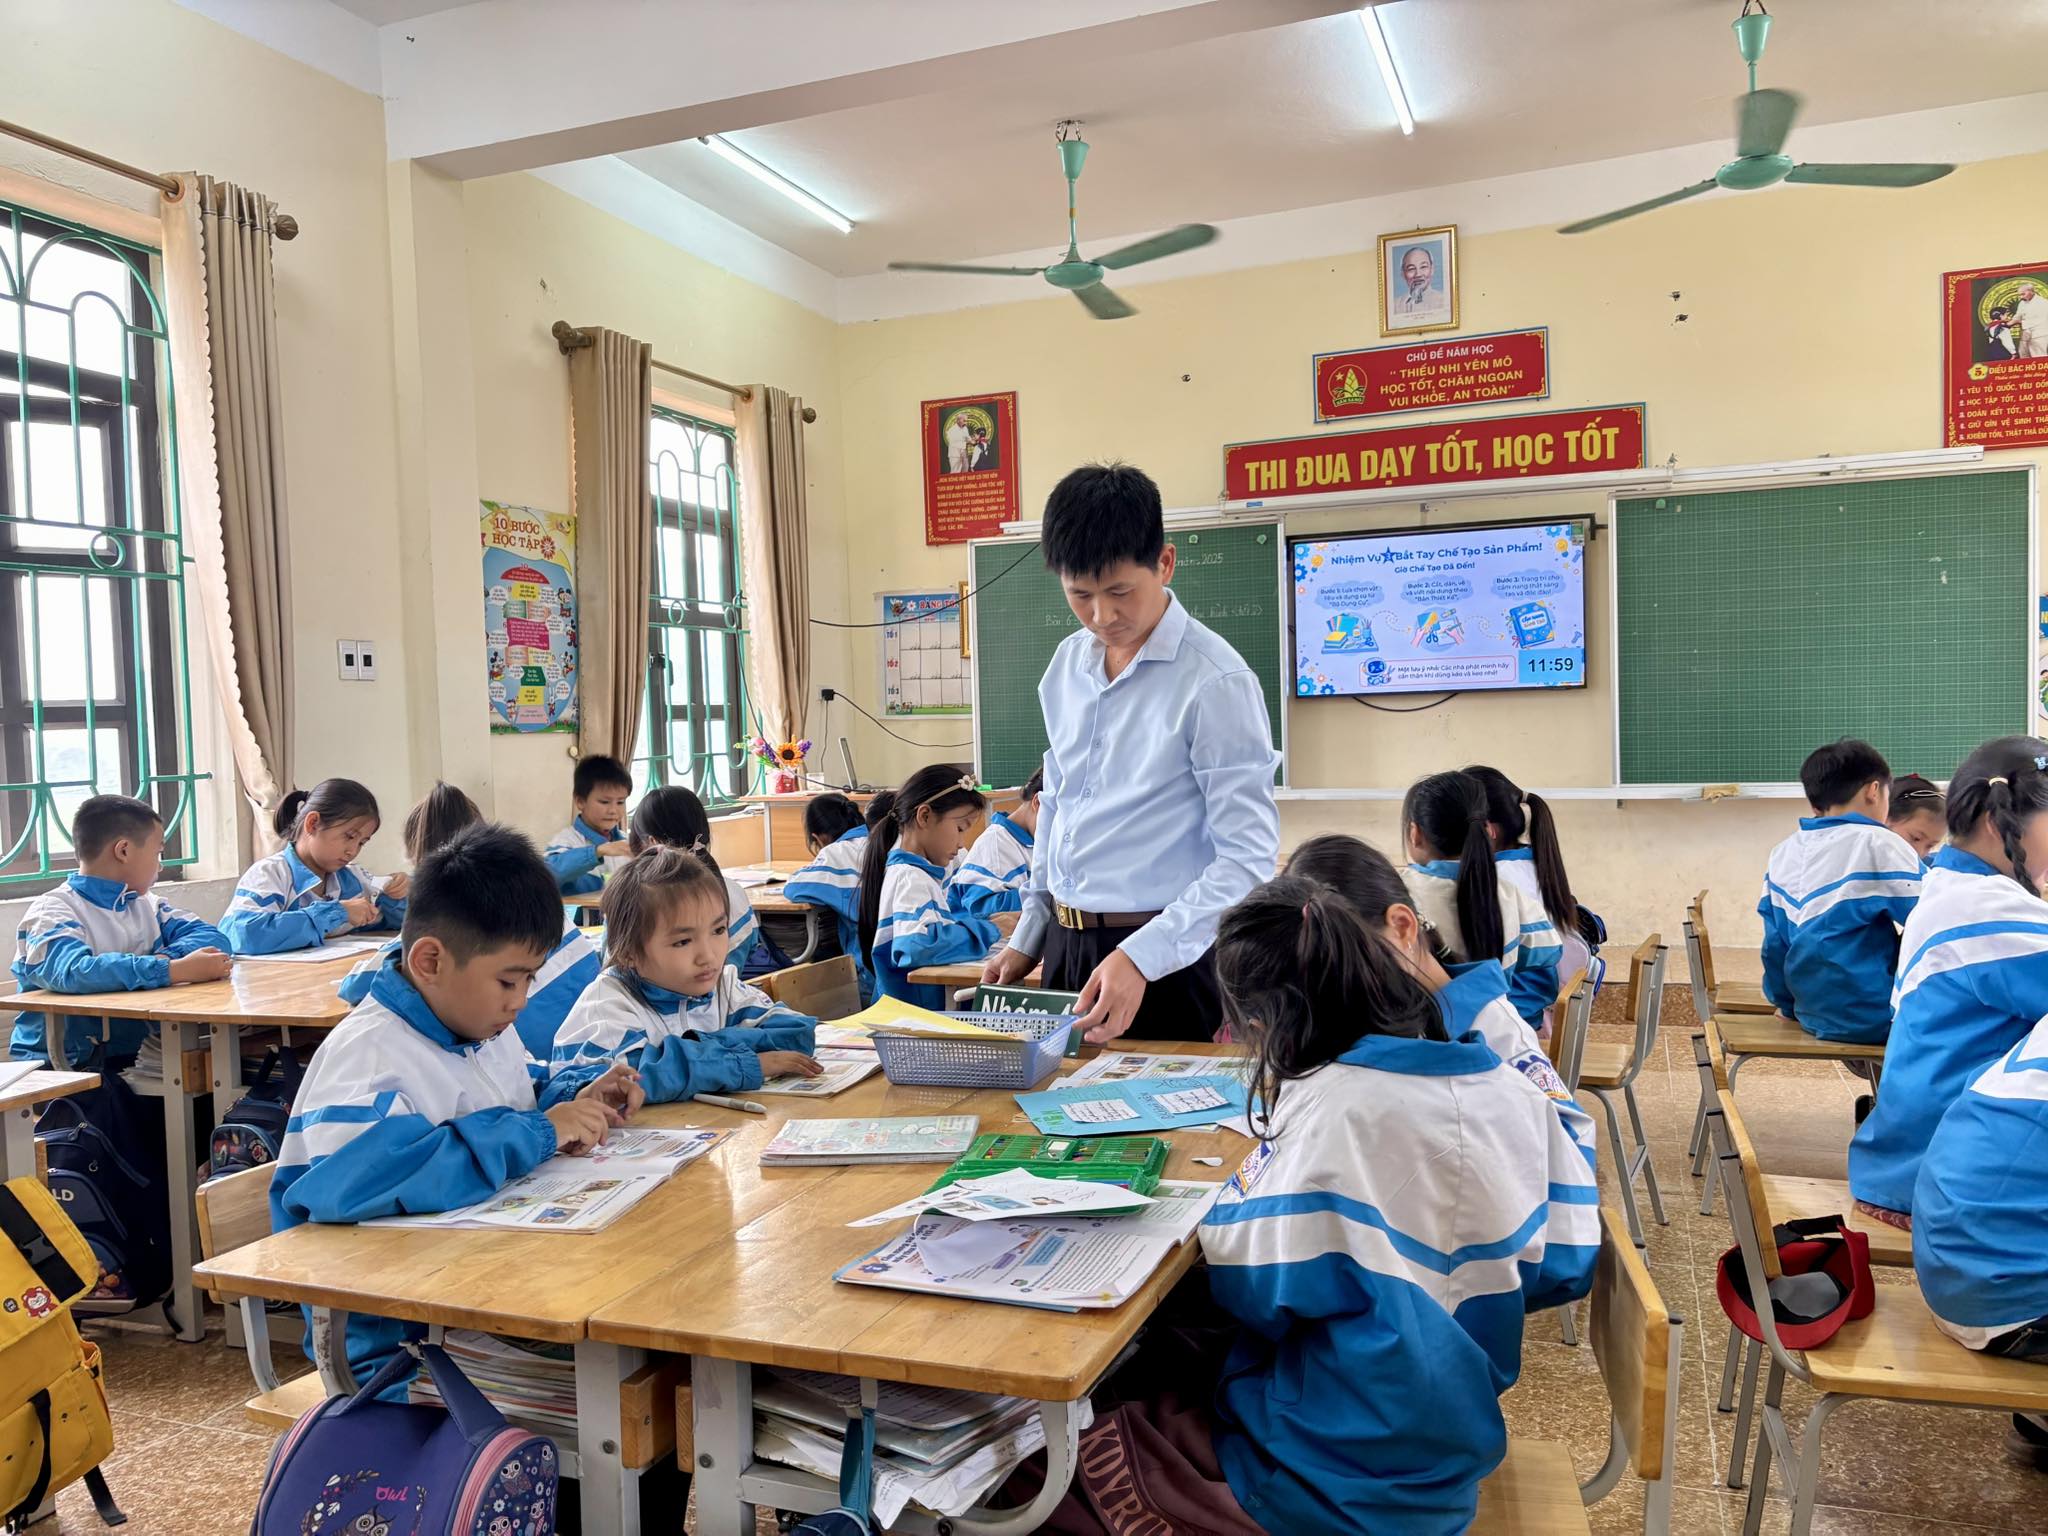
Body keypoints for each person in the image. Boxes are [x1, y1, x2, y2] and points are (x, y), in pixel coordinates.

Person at [1014, 876, 1598, 1534]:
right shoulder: (1507, 1084)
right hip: (1444, 1450)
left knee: (1027, 1479)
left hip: (1328, 1480)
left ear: (1264, 1027)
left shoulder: (1334, 1109)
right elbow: (1568, 1264)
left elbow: (1252, 1286)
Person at [270, 824, 637, 1392]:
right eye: (509, 982)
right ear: (430, 961)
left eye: (529, 980)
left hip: (483, 1298)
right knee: (622, 1392)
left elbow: (512, 1095)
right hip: (396, 1351)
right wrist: (538, 1132)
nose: (520, 1002)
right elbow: (368, 1179)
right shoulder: (368, 1059)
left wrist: (575, 1095)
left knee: (640, 1360)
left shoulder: (474, 1025)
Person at [982, 463, 1280, 1043]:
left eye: (1120, 592)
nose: (1102, 616)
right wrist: (1031, 932)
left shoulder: (1215, 681)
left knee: (1165, 1105)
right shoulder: (1066, 667)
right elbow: (1058, 805)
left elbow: (1247, 859)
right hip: (1066, 948)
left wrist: (1143, 956)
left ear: (1164, 563)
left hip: (1169, 959)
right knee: (1058, 1102)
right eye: (1080, 595)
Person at [1849, 737, 2048, 1228]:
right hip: (1946, 1174)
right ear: (1996, 822)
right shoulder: (1987, 909)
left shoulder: (1951, 883)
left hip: (1904, 1156)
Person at [337, 783, 600, 1059]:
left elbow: (354, 986)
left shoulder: (455, 921)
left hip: (545, 1059)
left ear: (417, 860)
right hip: (584, 1055)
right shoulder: (533, 903)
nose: (519, 1001)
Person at [549, 846, 820, 1103]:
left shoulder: (722, 987)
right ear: (629, 952)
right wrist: (740, 1062)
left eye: (718, 930)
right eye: (683, 942)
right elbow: (627, 1079)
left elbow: (795, 1033)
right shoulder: (607, 1004)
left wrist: (700, 1049)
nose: (708, 956)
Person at [10, 794, 232, 1066]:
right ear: (123, 850)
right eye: (157, 853)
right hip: (68, 1065)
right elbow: (72, 972)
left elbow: (214, 938)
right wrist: (171, 970)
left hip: (136, 1056)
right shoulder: (52, 911)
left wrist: (166, 959)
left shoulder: (146, 904)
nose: (160, 865)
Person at [1757, 739, 1923, 1050]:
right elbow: (1935, 916)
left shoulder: (1783, 851)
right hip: (1875, 1015)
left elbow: (1774, 946)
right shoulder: (1878, 842)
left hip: (1811, 1013)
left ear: (1814, 802)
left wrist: (1788, 1007)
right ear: (1874, 790)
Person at [1400, 770, 1561, 1030]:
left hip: (1424, 1041)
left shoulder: (1397, 891)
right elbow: (1549, 951)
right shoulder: (1506, 891)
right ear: (1485, 830)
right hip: (1496, 1034)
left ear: (1414, 833)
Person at [1467, 764, 1607, 1033]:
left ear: (1487, 829)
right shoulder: (1533, 863)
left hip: (1522, 1025)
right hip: (1543, 1016)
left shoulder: (1497, 881)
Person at [861, 766, 1001, 1009]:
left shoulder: (921, 873)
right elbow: (916, 946)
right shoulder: (909, 877)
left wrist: (985, 923)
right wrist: (991, 929)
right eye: (960, 829)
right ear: (924, 816)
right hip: (913, 1020)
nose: (961, 843)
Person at [221, 779, 406, 954]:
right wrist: (336, 912)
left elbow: (401, 920)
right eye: (349, 836)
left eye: (361, 843)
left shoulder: (352, 878)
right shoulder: (270, 873)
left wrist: (399, 896)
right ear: (313, 823)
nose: (353, 851)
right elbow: (241, 935)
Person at [626, 785, 781, 975]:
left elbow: (617, 965)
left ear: (652, 842)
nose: (707, 957)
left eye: (718, 931)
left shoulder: (638, 898)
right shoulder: (732, 890)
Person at [785, 792, 874, 998]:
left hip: (870, 974)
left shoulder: (836, 853)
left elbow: (794, 888)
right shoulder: (878, 838)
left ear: (819, 837)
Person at [947, 769, 1042, 918]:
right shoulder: (996, 844)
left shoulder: (1035, 842)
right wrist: (1049, 894)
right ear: (1038, 803)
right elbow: (983, 908)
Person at [543, 754, 633, 896]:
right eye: (604, 802)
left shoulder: (626, 842)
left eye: (620, 802)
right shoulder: (566, 841)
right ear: (580, 801)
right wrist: (597, 852)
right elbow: (549, 873)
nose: (613, 810)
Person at [1888, 773, 1947, 861]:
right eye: (1916, 838)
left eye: (1930, 846)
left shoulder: (1931, 866)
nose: (1919, 853)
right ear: (1886, 818)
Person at [1394, 243, 1447, 322]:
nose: (1418, 274)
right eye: (1411, 269)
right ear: (1403, 273)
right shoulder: (1395, 305)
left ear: (1432, 269)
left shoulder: (1443, 301)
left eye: (1423, 267)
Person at [2014, 280, 2048, 359]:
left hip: (2039, 334)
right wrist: (2008, 322)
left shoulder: (2043, 302)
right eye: (2020, 295)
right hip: (2025, 334)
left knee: (2038, 356)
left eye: (2023, 294)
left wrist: (2021, 322)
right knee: (2023, 354)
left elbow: (2042, 320)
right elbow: (2018, 315)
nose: (2021, 297)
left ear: (2031, 291)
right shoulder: (2022, 303)